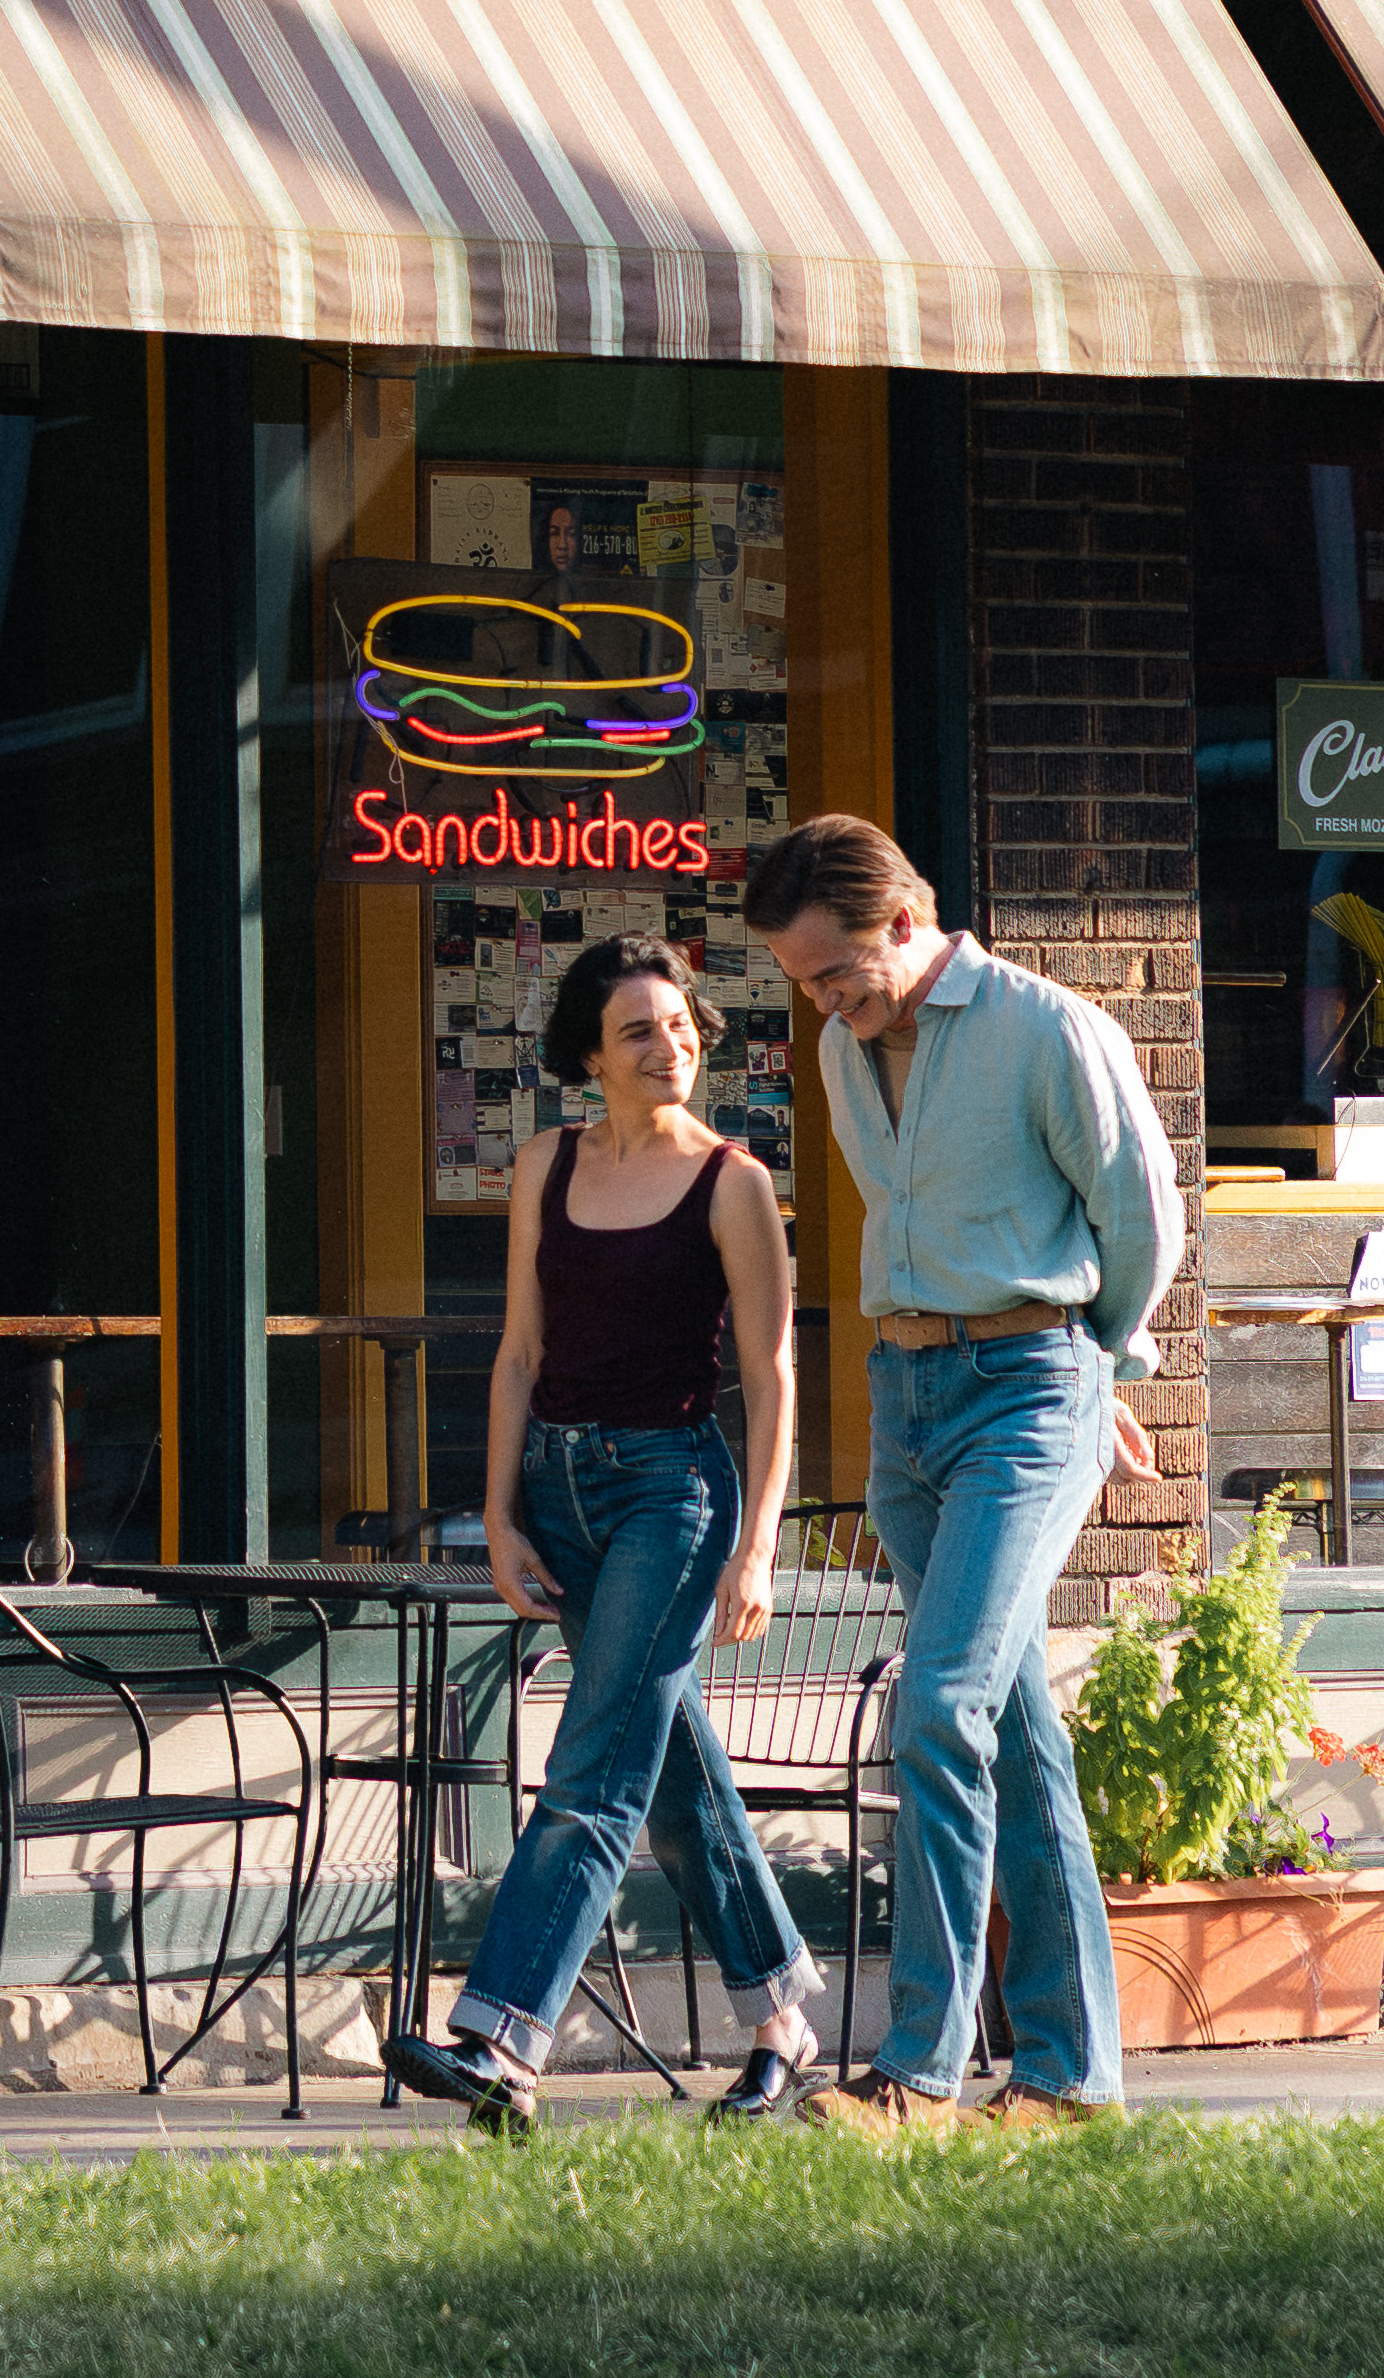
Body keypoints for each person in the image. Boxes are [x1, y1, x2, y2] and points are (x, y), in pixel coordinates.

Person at [739, 813, 1182, 2140]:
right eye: (806, 981)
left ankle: (917, 2074)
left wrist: (1094, 1372)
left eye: (833, 971)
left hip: (1029, 1389)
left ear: (900, 921)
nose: (821, 1001)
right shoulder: (837, 1048)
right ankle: (1069, 2080)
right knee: (1009, 1728)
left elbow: (1141, 1212)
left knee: (934, 1705)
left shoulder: (1050, 1031)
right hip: (909, 1400)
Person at [383, 935, 826, 2136]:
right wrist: (495, 1510)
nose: (670, 1046)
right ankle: (784, 2016)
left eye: (682, 1027)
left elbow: (774, 1373)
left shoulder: (731, 1182)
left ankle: (502, 2044)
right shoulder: (544, 1163)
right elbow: (518, 1350)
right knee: (668, 1774)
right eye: (639, 1031)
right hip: (558, 1489)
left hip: (669, 1500)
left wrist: (758, 1551)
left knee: (589, 1775)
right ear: (587, 1054)